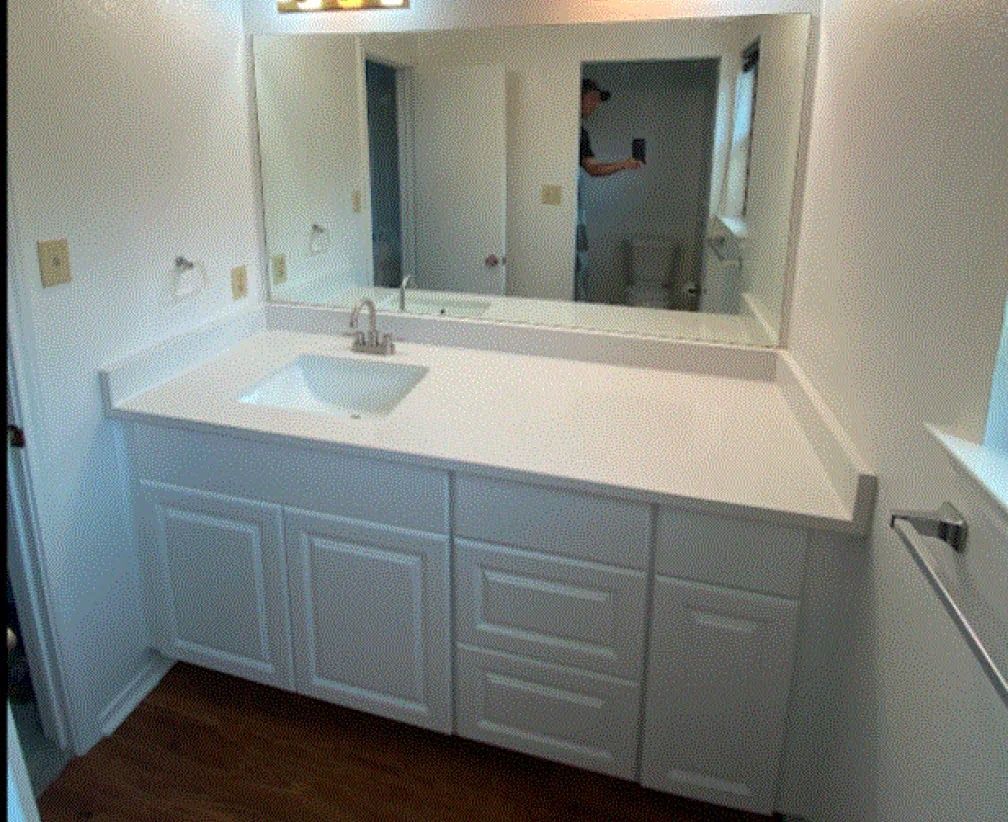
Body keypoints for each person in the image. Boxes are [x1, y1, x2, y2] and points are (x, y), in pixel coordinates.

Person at [576, 78, 643, 302]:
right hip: (569, 205)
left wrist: (624, 164)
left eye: (598, 100)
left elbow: (592, 168)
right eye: (593, 99)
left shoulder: (580, 132)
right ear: (579, 97)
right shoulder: (574, 131)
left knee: (579, 261)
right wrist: (623, 164)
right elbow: (593, 169)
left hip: (576, 207)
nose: (596, 105)